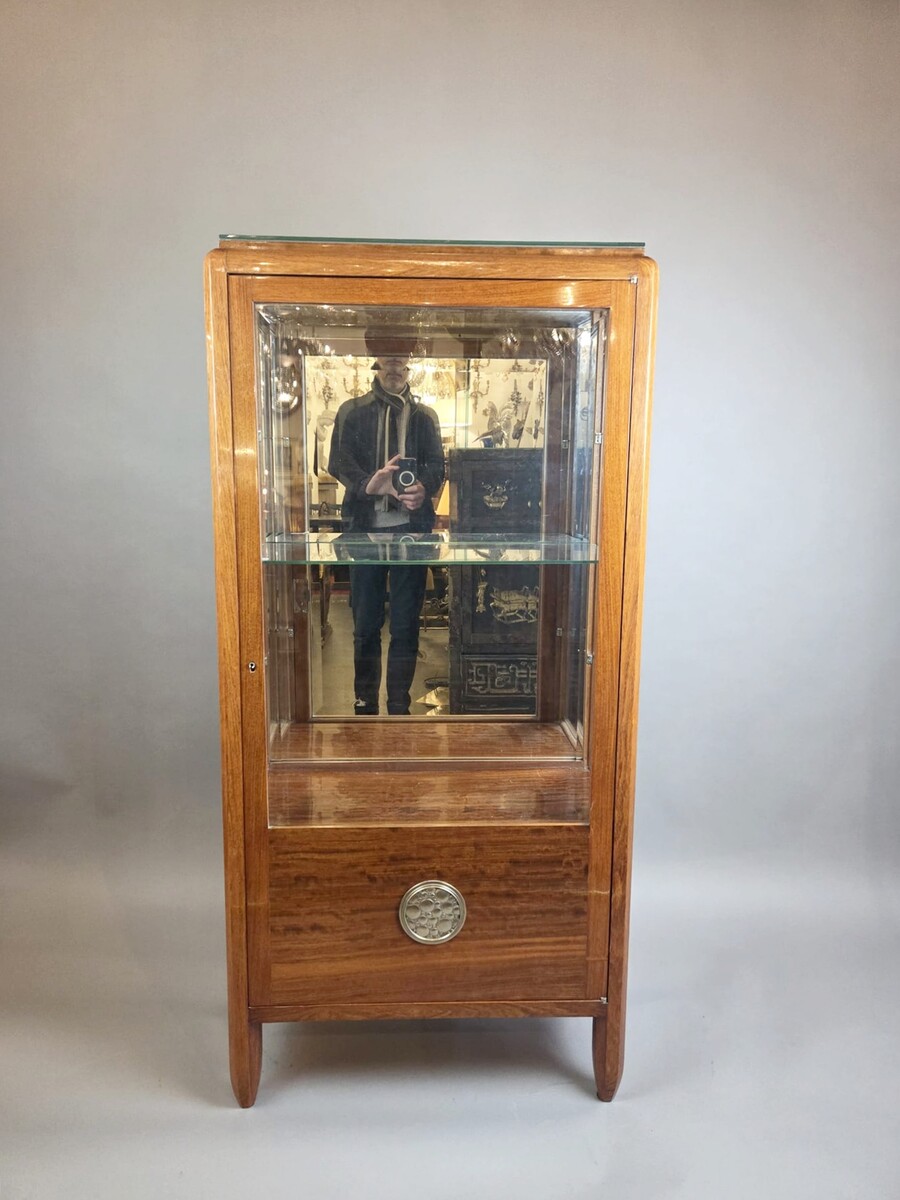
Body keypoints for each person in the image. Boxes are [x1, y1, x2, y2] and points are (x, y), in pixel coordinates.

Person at [329, 331, 445, 715]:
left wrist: (421, 490)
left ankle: (399, 704)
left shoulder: (426, 416)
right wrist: (368, 484)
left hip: (411, 532)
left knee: (406, 624)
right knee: (364, 624)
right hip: (364, 532)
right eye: (388, 356)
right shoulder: (351, 410)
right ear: (375, 360)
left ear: (410, 361)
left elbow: (437, 467)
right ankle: (364, 705)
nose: (395, 364)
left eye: (402, 357)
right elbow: (339, 463)